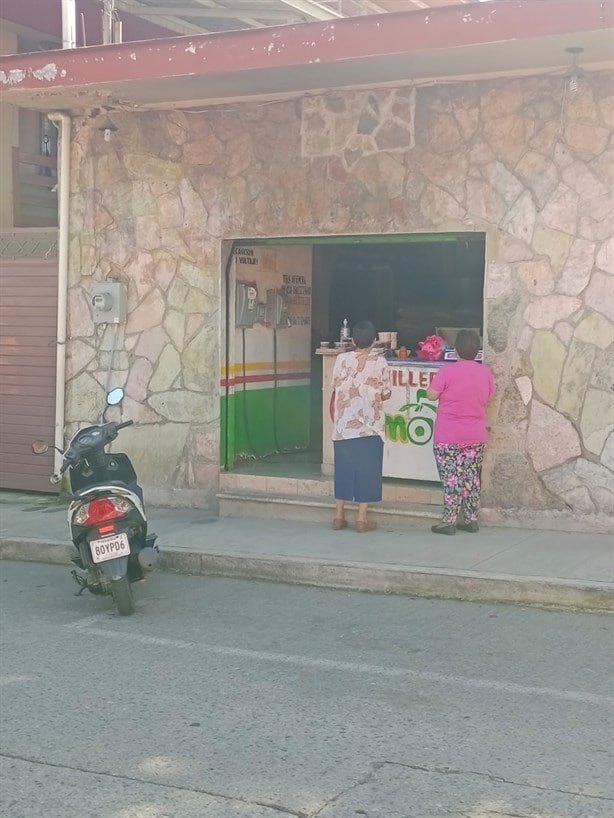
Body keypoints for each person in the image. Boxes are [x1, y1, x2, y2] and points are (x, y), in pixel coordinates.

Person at [425, 329, 495, 535]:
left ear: (455, 351)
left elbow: (431, 395)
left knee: (451, 479)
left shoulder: (447, 372)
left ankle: (450, 521)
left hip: (449, 435)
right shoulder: (485, 372)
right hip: (475, 434)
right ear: (477, 351)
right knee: (471, 478)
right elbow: (489, 395)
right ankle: (471, 519)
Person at [331, 321, 391, 533]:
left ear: (353, 340)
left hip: (343, 425)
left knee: (343, 468)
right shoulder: (381, 362)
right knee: (368, 469)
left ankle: (338, 516)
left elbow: (336, 386)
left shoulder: (340, 359)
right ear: (375, 340)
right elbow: (386, 394)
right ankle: (361, 519)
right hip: (370, 426)